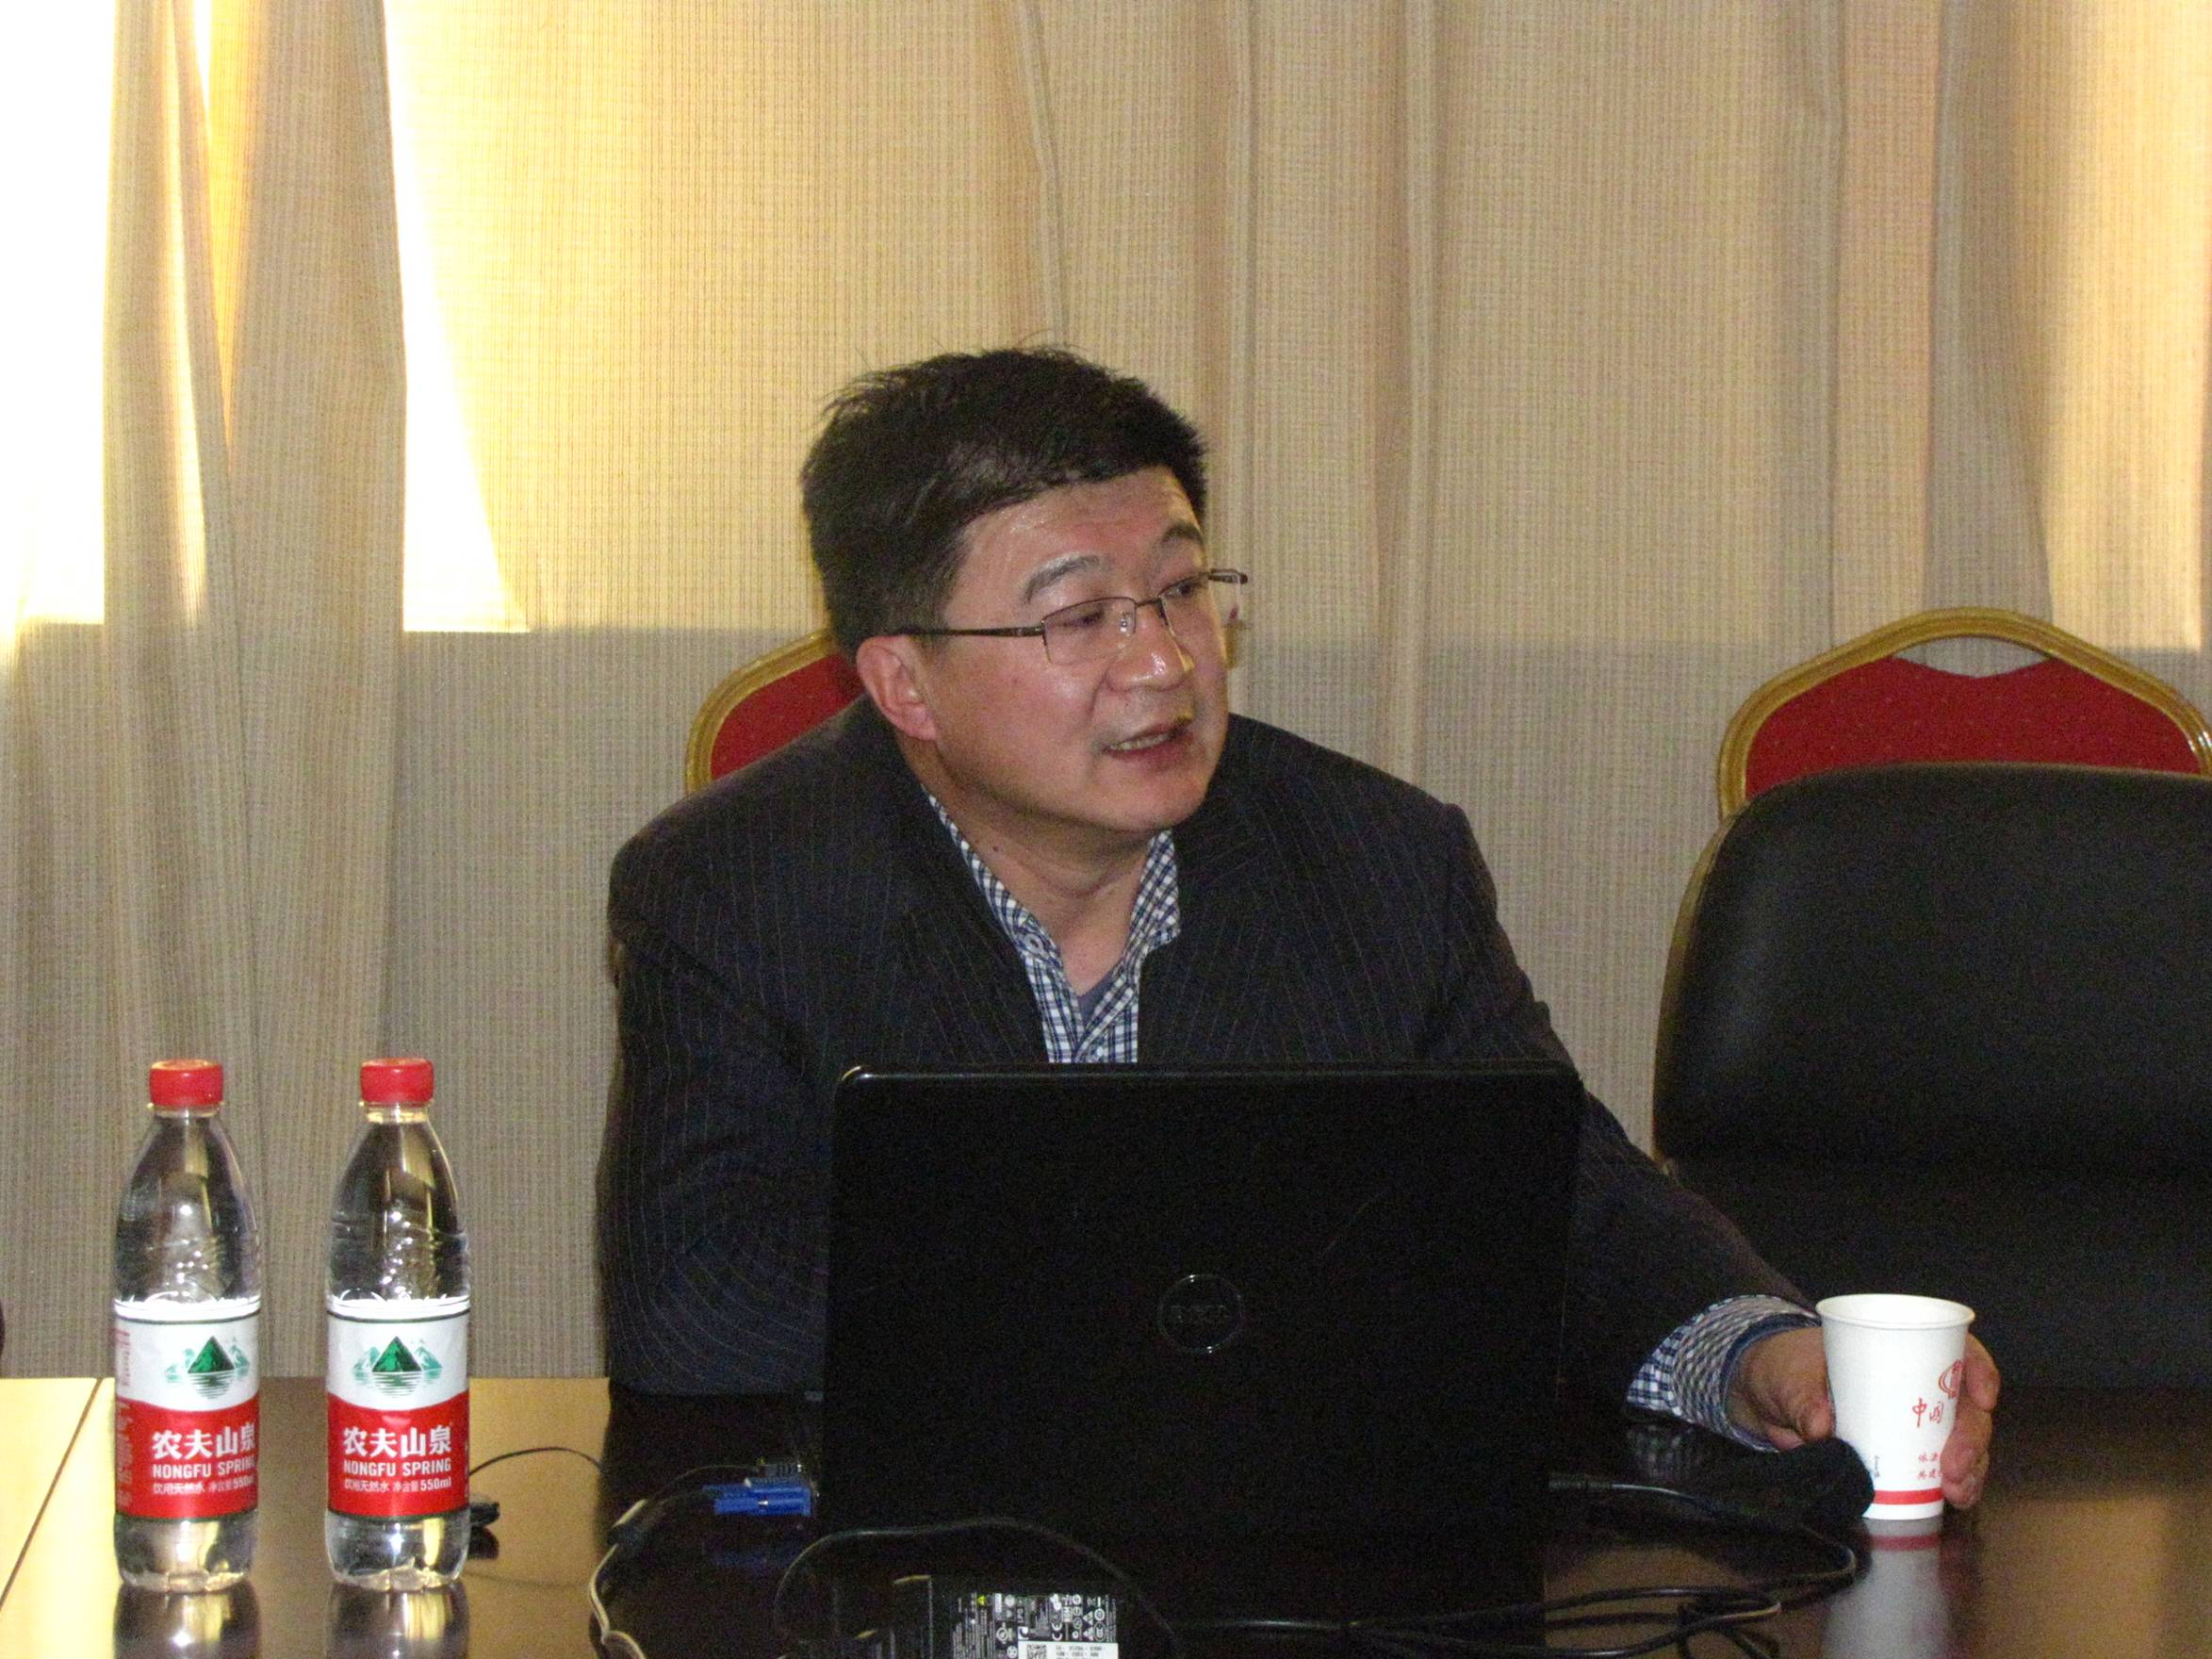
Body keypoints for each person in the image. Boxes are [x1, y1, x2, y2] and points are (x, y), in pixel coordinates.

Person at [598, 347, 1996, 1502]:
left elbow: (1554, 1197)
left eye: (1181, 590)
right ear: (905, 683)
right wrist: (1191, 1283)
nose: (1165, 662)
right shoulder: (733, 888)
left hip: (1298, 1544)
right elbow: (697, 1312)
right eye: (1079, 618)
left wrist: (1751, 1348)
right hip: (921, 1556)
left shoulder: (1378, 859)